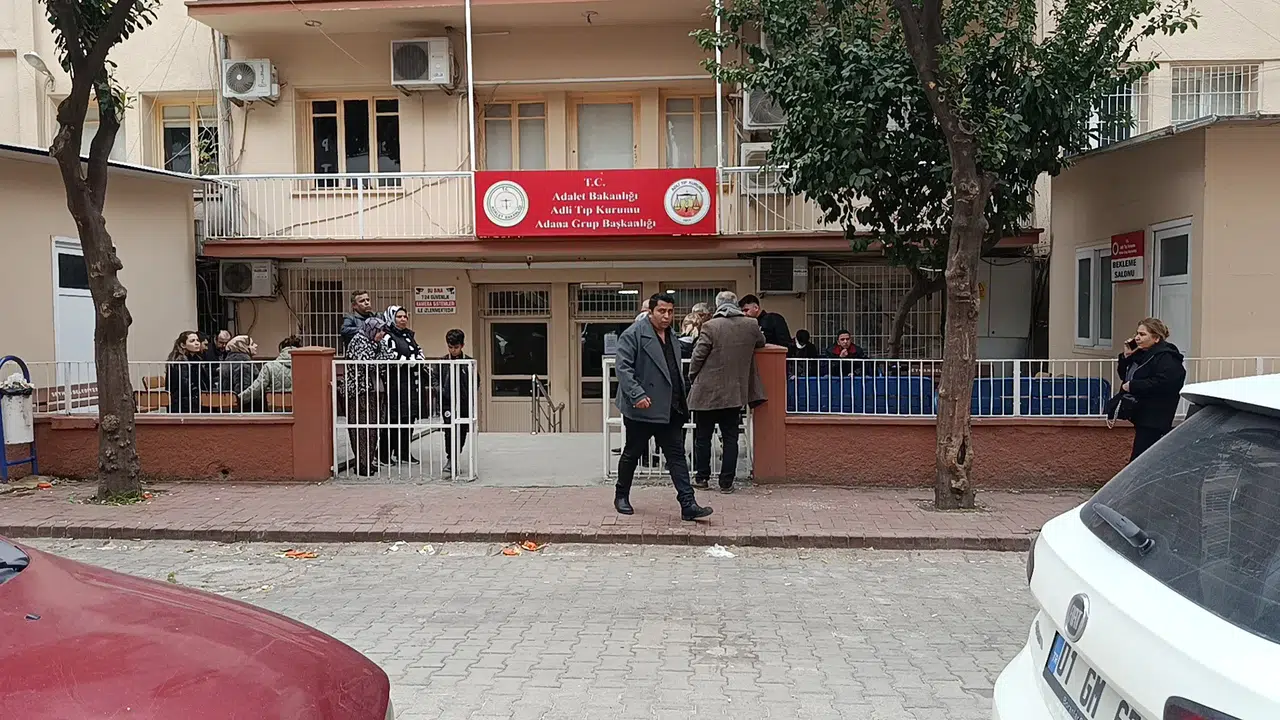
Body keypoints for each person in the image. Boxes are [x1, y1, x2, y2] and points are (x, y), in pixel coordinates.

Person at [613, 293, 713, 521]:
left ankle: (688, 503)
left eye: (670, 311)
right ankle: (621, 495)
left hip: (670, 406)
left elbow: (673, 370)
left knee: (676, 455)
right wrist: (637, 394)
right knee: (632, 452)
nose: (666, 316)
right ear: (650, 312)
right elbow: (623, 368)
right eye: (661, 311)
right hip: (642, 407)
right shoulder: (633, 335)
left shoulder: (672, 336)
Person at [688, 290, 765, 493]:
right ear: (736, 304)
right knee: (731, 438)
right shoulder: (751, 324)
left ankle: (702, 478)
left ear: (718, 305)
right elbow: (761, 343)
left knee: (703, 437)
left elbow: (698, 356)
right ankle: (726, 482)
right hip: (735, 392)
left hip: (707, 392)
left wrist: (692, 376)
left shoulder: (710, 326)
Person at [1115, 317, 1186, 461]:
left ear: (1156, 338)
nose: (1137, 338)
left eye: (1142, 334)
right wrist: (1126, 356)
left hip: (1155, 417)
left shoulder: (1167, 357)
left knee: (1140, 460)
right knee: (1144, 458)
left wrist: (1133, 386)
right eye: (1137, 334)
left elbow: (1165, 383)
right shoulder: (1142, 355)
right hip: (1141, 415)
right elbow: (1125, 374)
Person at [344, 317, 396, 476]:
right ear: (371, 330)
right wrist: (381, 359)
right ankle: (361, 464)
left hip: (375, 390)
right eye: (379, 331)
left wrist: (380, 359)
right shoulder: (359, 341)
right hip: (360, 391)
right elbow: (368, 364)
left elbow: (391, 357)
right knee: (361, 428)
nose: (382, 334)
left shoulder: (376, 343)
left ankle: (368, 460)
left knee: (373, 427)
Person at [380, 306, 426, 465]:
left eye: (405, 316)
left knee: (408, 419)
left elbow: (419, 352)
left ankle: (403, 453)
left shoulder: (409, 335)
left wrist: (416, 360)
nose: (403, 319)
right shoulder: (387, 336)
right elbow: (390, 356)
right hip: (395, 384)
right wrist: (407, 361)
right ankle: (384, 455)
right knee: (393, 420)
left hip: (410, 383)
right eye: (399, 316)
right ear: (392, 318)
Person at [437, 329, 472, 476]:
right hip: (447, 402)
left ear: (462, 345)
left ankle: (456, 455)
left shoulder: (468, 362)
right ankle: (451, 458)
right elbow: (436, 379)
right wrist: (441, 391)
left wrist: (467, 394)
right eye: (450, 347)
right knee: (449, 431)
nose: (453, 350)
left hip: (463, 402)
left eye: (456, 347)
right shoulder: (443, 362)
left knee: (462, 430)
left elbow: (475, 382)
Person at [239, 335, 303, 411]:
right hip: (301, 408)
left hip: (276, 408)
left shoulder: (269, 366)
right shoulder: (306, 366)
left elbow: (257, 387)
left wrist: (238, 399)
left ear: (281, 349)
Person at [166, 331, 209, 414]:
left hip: (196, 399)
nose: (197, 343)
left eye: (197, 340)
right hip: (182, 403)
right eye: (192, 341)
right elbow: (184, 385)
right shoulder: (179, 361)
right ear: (183, 345)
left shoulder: (197, 359)